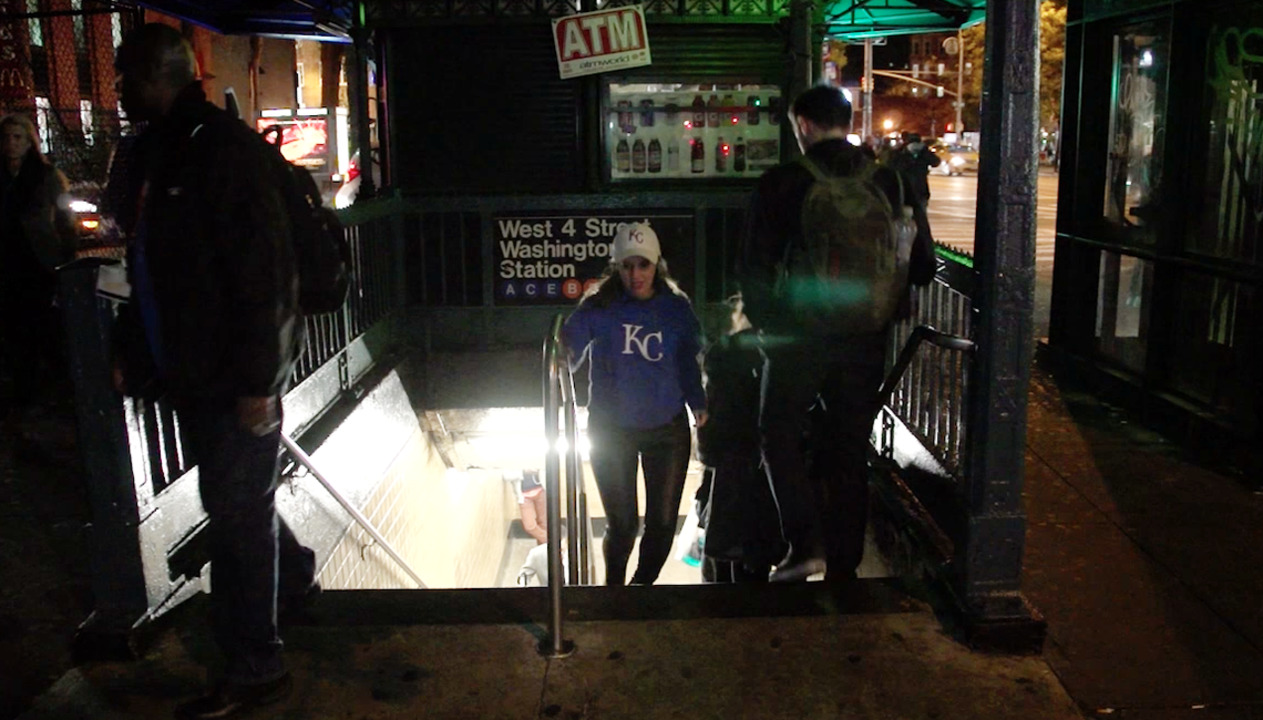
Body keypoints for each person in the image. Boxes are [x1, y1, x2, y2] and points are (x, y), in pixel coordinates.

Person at [111, 24, 316, 719]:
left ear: (154, 79)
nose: (116, 91)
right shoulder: (165, 151)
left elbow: (265, 276)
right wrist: (137, 354)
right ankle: (295, 584)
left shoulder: (216, 152)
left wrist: (261, 383)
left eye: (123, 79)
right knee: (239, 507)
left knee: (235, 520)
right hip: (198, 375)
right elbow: (156, 271)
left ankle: (256, 666)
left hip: (233, 379)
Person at [739, 85, 936, 583]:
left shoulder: (782, 182)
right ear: (846, 122)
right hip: (865, 340)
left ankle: (804, 545)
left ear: (802, 124)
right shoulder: (889, 182)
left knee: (778, 436)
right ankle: (844, 570)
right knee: (849, 450)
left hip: (798, 339)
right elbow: (924, 266)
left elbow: (754, 271)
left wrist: (768, 329)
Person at [562, 222, 708, 586]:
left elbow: (687, 360)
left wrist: (699, 403)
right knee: (624, 525)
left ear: (656, 265)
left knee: (660, 527)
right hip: (612, 430)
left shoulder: (675, 309)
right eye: (627, 266)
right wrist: (561, 355)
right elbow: (569, 348)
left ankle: (638, 589)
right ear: (617, 267)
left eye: (643, 265)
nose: (635, 274)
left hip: (666, 429)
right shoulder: (600, 306)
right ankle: (613, 591)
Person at [0, 113, 75, 428]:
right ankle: (25, 396)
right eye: (7, 138)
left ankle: (63, 394)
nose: (12, 144)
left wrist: (65, 259)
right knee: (16, 334)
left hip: (40, 263)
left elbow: (64, 220)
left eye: (18, 137)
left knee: (47, 331)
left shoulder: (45, 176)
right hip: (8, 262)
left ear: (29, 142)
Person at [887, 132, 941, 206]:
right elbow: (936, 162)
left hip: (904, 189)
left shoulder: (901, 152)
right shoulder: (924, 151)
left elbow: (891, 165)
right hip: (921, 188)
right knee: (921, 211)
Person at [515, 468, 548, 545]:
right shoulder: (513, 459)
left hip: (541, 491)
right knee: (529, 525)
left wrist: (537, 469)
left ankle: (544, 550)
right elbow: (506, 475)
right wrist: (523, 472)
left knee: (544, 523)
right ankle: (551, 542)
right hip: (524, 496)